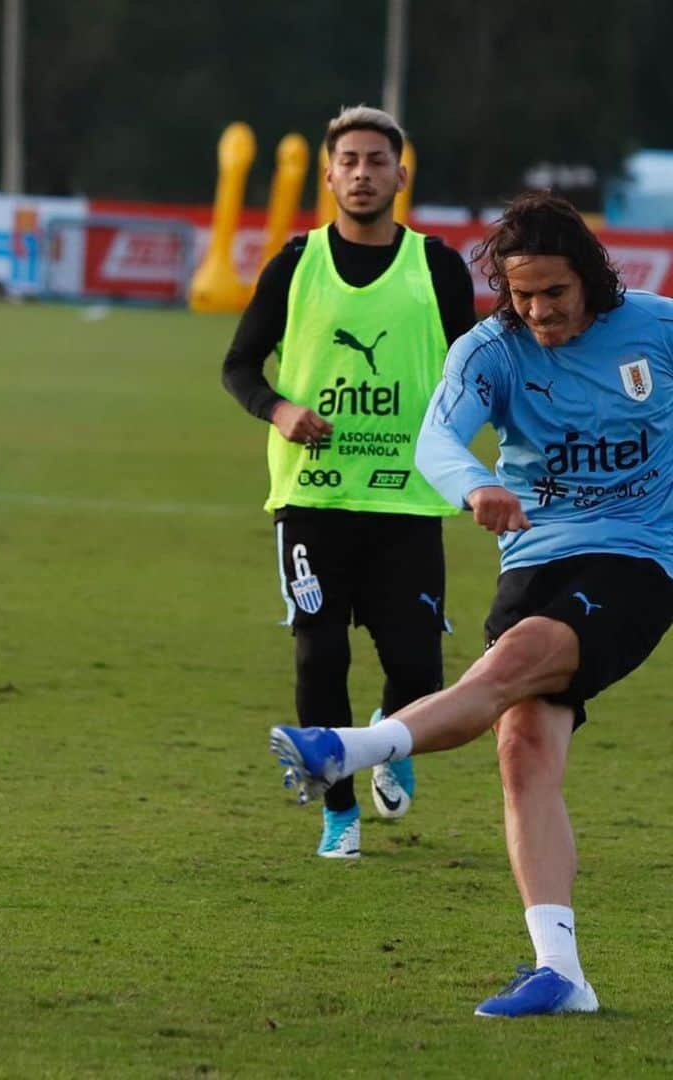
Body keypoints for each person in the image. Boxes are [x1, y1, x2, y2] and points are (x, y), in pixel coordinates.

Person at [269, 190, 673, 1016]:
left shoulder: (657, 329)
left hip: (640, 555)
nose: (538, 310)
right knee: (521, 745)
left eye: (554, 293)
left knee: (519, 656)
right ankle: (561, 971)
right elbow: (434, 441)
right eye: (521, 295)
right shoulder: (491, 349)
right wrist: (479, 484)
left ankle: (350, 748)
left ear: (592, 278)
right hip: (534, 556)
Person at [223, 105, 475, 857]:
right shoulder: (295, 263)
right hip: (313, 498)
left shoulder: (435, 266)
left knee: (416, 670)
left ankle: (387, 747)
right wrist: (279, 409)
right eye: (349, 161)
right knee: (318, 653)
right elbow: (239, 366)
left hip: (406, 499)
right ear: (328, 176)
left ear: (401, 174)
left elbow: (475, 368)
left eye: (377, 160)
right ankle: (339, 811)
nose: (362, 173)